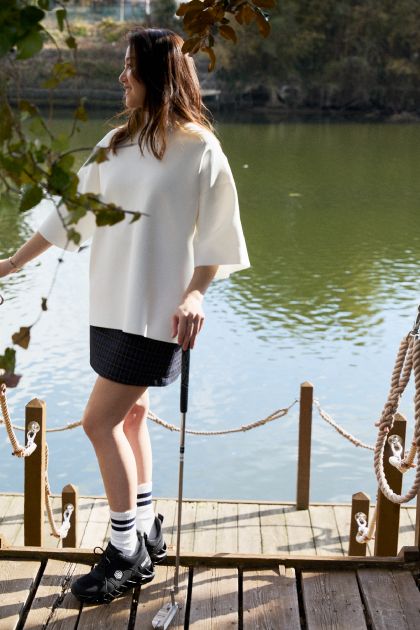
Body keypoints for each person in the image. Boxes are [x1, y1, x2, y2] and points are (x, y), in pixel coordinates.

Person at [0, 28, 249, 604]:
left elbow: (218, 238)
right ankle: (146, 526)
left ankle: (125, 551)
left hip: (158, 316)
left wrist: (196, 294)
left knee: (98, 422)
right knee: (131, 416)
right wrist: (12, 263)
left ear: (158, 75)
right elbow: (70, 217)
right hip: (109, 308)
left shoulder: (200, 150)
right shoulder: (115, 143)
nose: (121, 77)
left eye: (131, 67)